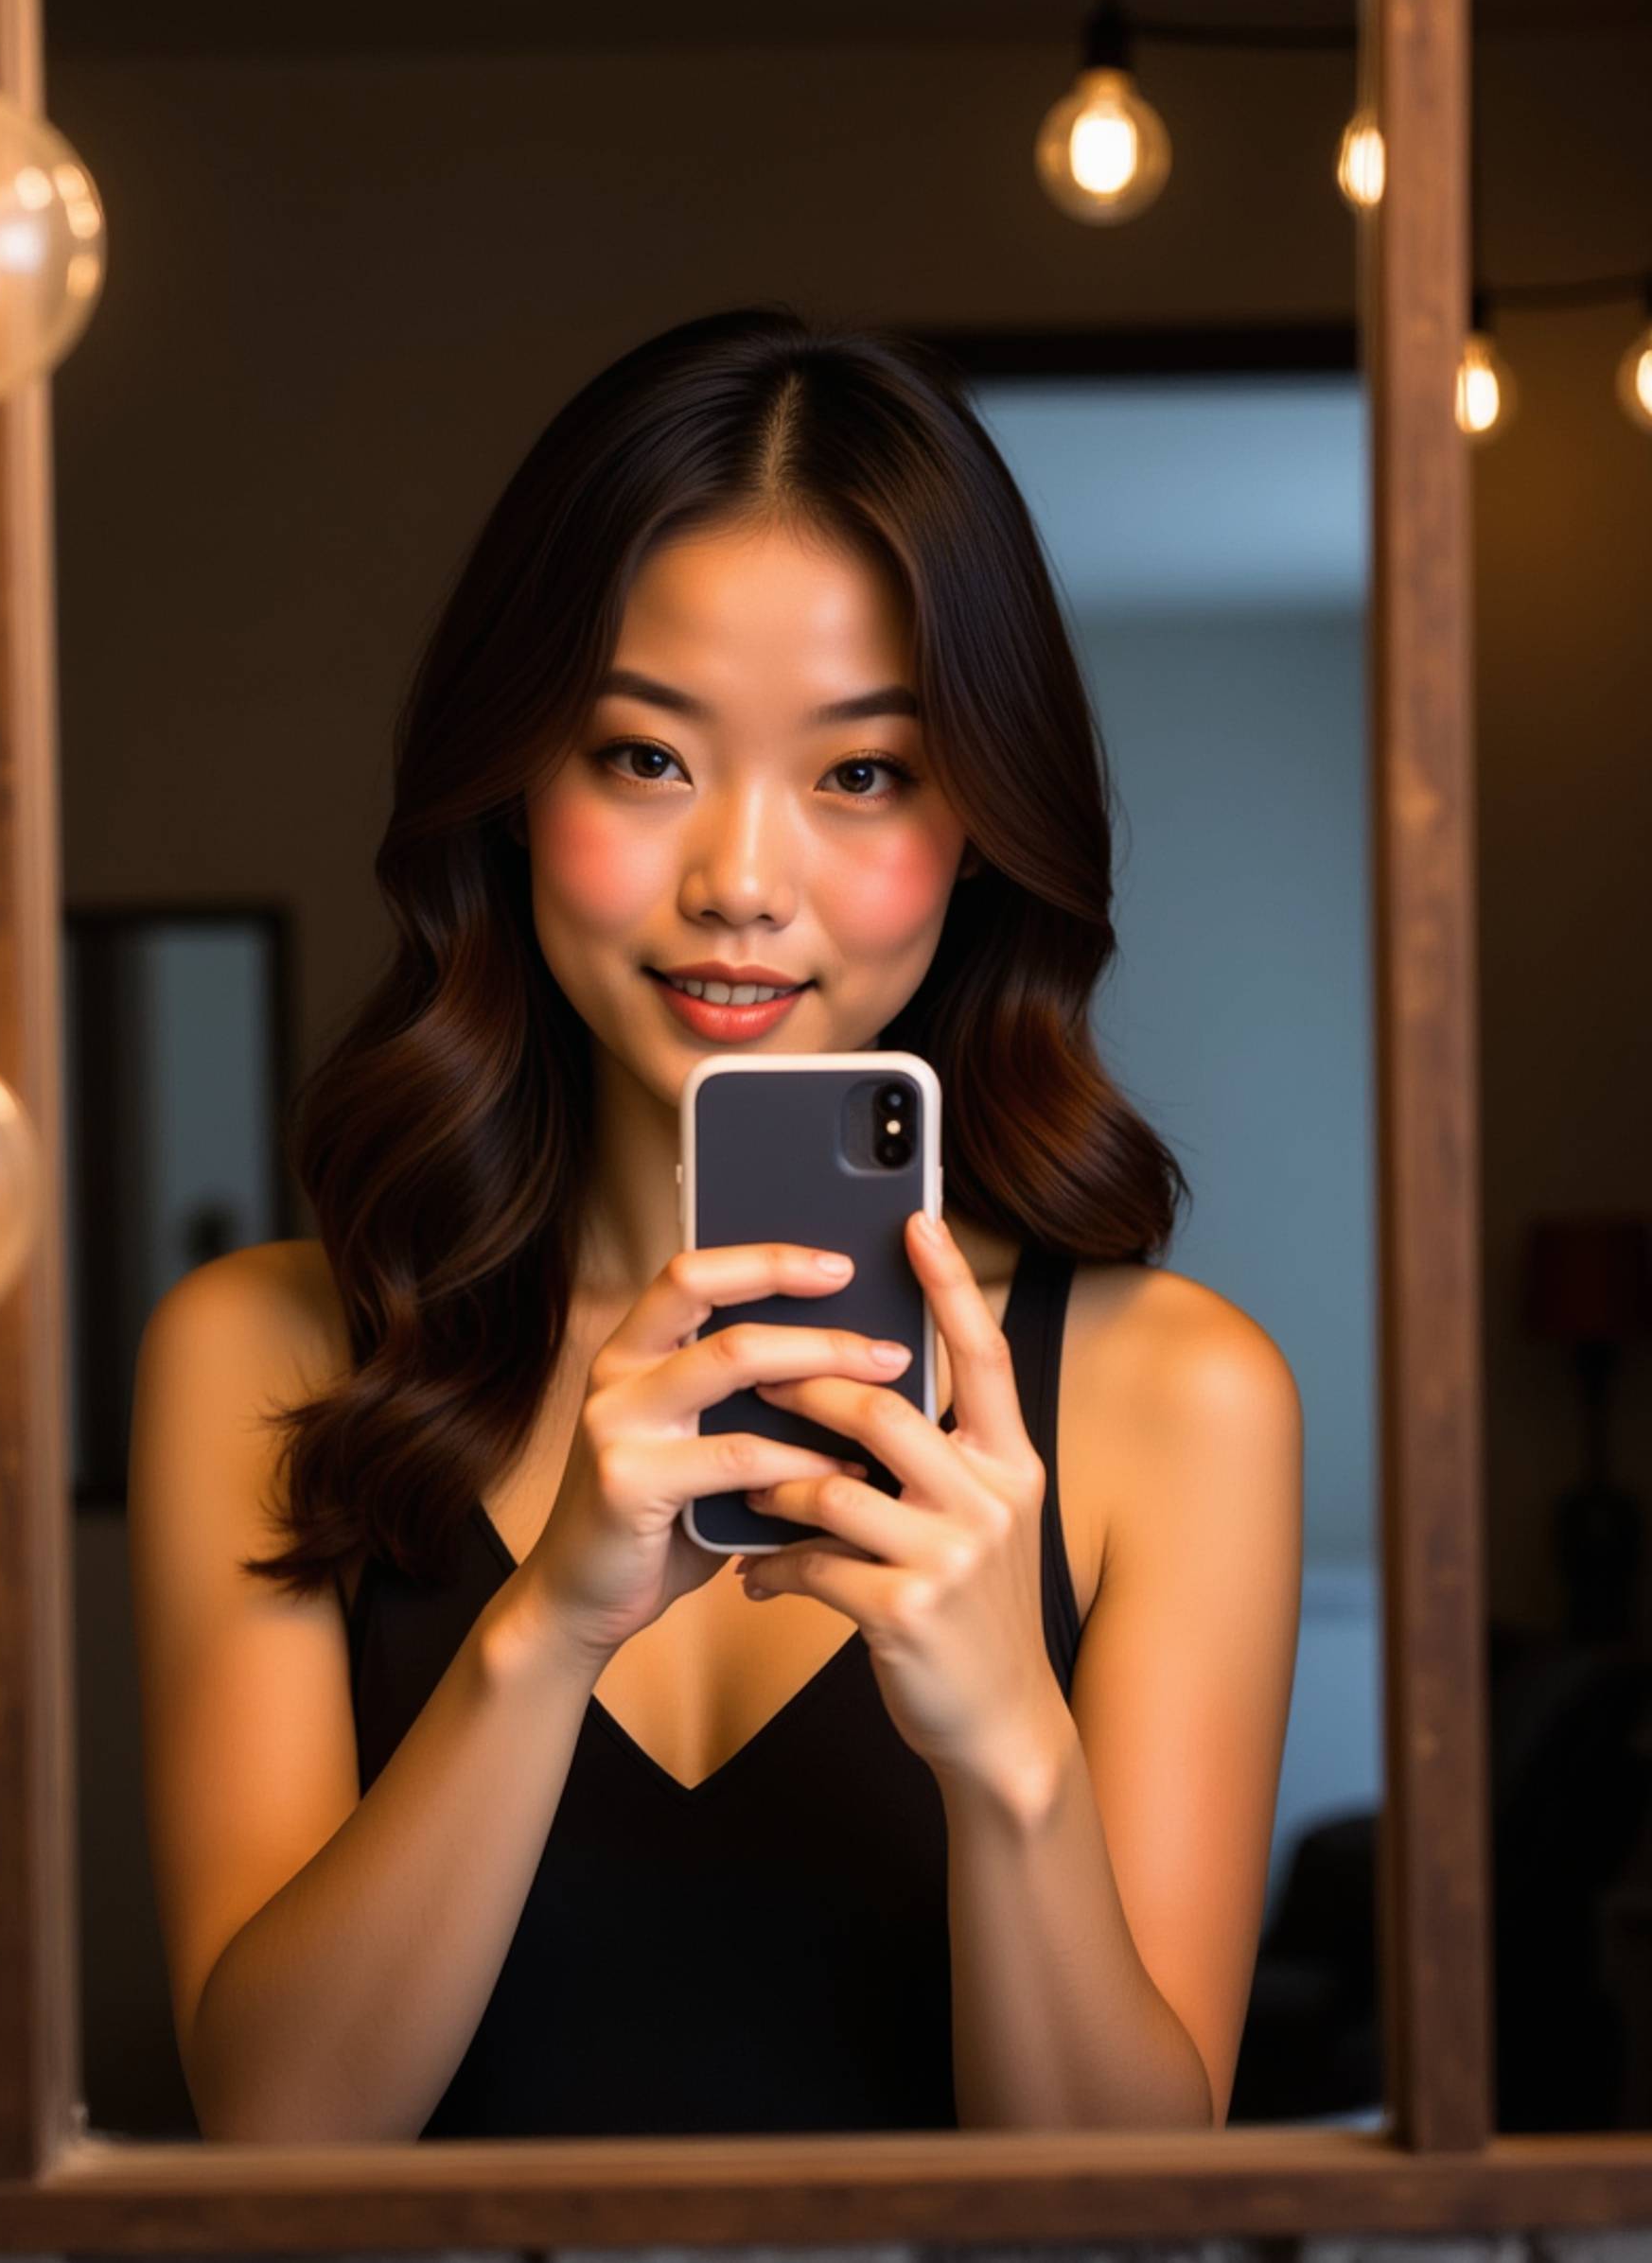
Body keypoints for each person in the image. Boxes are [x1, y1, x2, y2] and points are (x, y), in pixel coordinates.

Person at [127, 305, 1304, 2144]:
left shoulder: (1182, 1399)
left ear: (980, 821)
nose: (741, 878)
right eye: (644, 755)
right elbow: (277, 2132)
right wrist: (547, 1626)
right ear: (516, 785)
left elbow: (1132, 2207)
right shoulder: (265, 1352)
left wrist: (1009, 1745)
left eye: (861, 772)